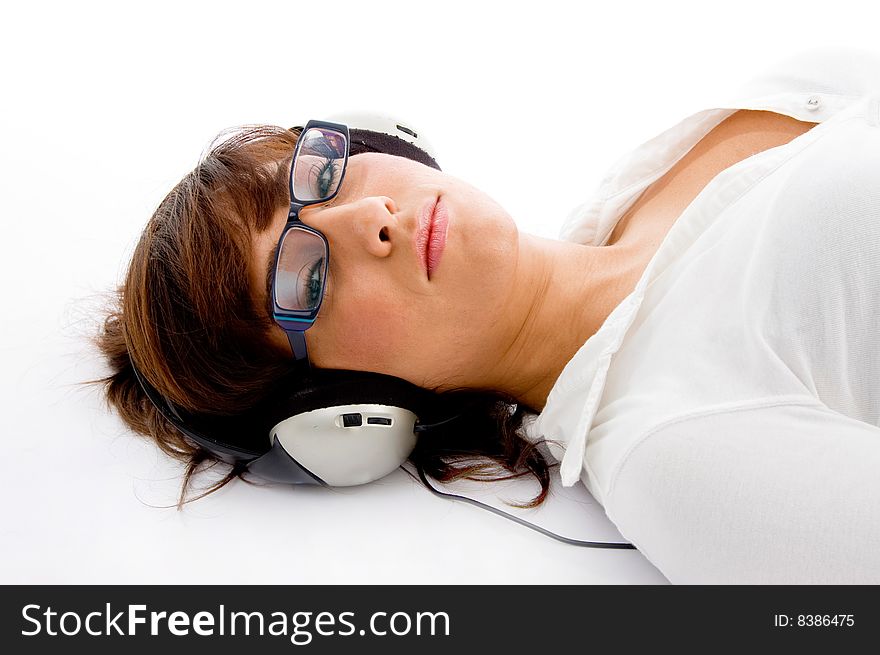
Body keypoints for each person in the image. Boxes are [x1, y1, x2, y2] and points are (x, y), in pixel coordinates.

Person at [96, 46, 880, 582]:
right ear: (345, 413)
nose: (370, 213)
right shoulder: (678, 450)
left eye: (316, 174)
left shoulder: (672, 152)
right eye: (305, 279)